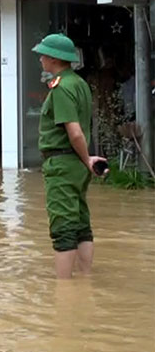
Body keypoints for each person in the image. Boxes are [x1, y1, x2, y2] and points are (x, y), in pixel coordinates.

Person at [33, 34, 108, 279]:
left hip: (63, 164)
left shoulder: (62, 87)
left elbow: (74, 132)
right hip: (76, 165)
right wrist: (86, 161)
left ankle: (64, 289)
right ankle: (85, 279)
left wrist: (87, 158)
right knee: (80, 223)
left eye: (44, 54)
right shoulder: (79, 83)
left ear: (55, 58)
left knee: (63, 225)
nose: (41, 58)